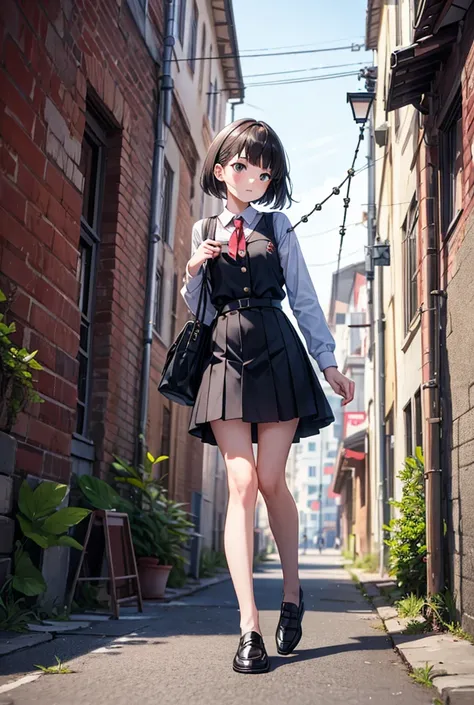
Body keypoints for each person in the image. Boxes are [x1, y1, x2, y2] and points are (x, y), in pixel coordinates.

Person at [181, 118, 355, 674]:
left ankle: (293, 593)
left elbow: (302, 299)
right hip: (225, 357)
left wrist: (328, 362)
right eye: (241, 167)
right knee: (242, 480)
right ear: (220, 170)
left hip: (277, 353)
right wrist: (192, 271)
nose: (252, 178)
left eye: (263, 170)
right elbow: (200, 311)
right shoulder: (204, 228)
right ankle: (248, 626)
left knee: (273, 479)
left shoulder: (279, 228)